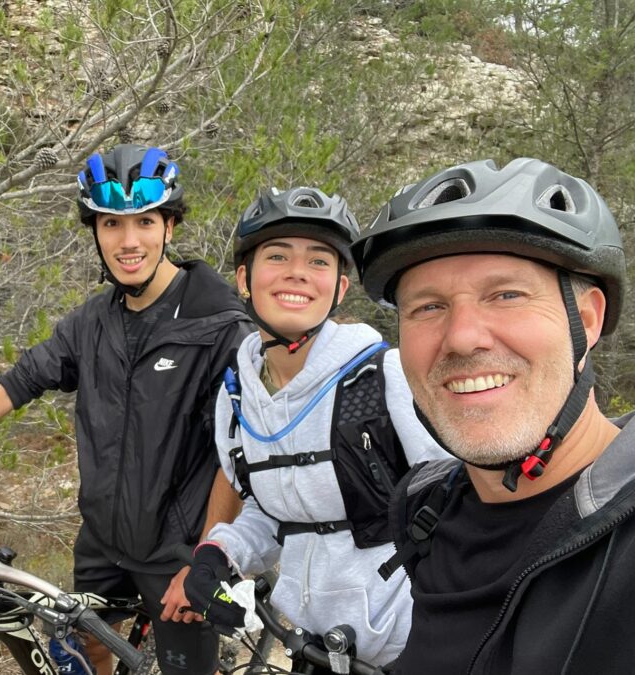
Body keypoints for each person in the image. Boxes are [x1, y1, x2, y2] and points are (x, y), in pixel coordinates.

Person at [0, 144, 251, 675]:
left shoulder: (221, 325)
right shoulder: (93, 320)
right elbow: (17, 382)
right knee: (82, 654)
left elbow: (236, 456)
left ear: (169, 226)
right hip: (102, 542)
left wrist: (206, 559)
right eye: (110, 224)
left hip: (180, 551)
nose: (128, 241)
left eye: (144, 221)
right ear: (95, 232)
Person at [351, 158, 635, 673]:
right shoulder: (426, 511)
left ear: (589, 320)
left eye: (506, 295)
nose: (462, 337)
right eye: (428, 307)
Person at [181, 187, 446, 666]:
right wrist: (218, 555)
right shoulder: (237, 398)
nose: (298, 272)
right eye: (277, 255)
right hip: (316, 647)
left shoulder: (386, 377)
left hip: (419, 646)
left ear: (340, 288)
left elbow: (462, 504)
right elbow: (272, 510)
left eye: (320, 261)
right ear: (244, 279)